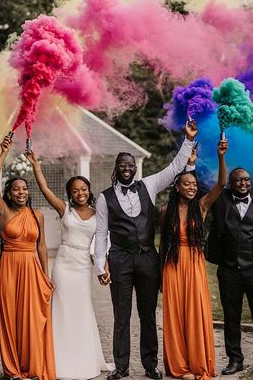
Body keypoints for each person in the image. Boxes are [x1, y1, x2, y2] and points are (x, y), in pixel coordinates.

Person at [95, 120, 198, 380]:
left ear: (135, 166)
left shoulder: (149, 185)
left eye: (131, 164)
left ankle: (150, 365)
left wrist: (187, 139)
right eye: (123, 164)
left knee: (148, 314)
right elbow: (101, 233)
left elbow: (175, 167)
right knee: (121, 316)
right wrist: (100, 264)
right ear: (116, 168)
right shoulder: (104, 197)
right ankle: (121, 367)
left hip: (147, 260)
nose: (127, 168)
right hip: (119, 259)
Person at [25, 150, 112, 379]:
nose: (80, 193)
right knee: (61, 310)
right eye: (75, 190)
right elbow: (44, 189)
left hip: (83, 266)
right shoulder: (65, 209)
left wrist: (104, 269)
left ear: (89, 191)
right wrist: (36, 164)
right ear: (70, 194)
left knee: (81, 310)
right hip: (63, 265)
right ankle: (58, 360)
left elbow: (102, 244)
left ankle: (83, 359)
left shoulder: (99, 214)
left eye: (83, 189)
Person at [206, 157, 253, 380]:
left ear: (251, 182)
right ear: (230, 183)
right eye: (238, 181)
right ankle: (235, 360)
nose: (243, 184)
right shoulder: (220, 202)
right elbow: (214, 186)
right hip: (229, 271)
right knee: (231, 317)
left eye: (246, 180)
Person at [159, 138, 228, 380]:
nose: (192, 187)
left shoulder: (202, 206)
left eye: (194, 184)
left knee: (195, 312)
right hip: (173, 265)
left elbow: (221, 183)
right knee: (176, 314)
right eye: (187, 184)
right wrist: (159, 274)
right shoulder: (166, 212)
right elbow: (164, 244)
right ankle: (179, 366)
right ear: (177, 187)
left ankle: (198, 363)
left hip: (195, 263)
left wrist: (220, 156)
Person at [0, 135, 55, 380]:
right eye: (16, 189)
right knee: (11, 318)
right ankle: (13, 370)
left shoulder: (37, 215)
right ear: (8, 193)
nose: (21, 192)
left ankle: (31, 365)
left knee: (32, 320)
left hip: (32, 269)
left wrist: (46, 277)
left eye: (24, 189)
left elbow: (42, 247)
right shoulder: (3, 212)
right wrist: (4, 151)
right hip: (9, 267)